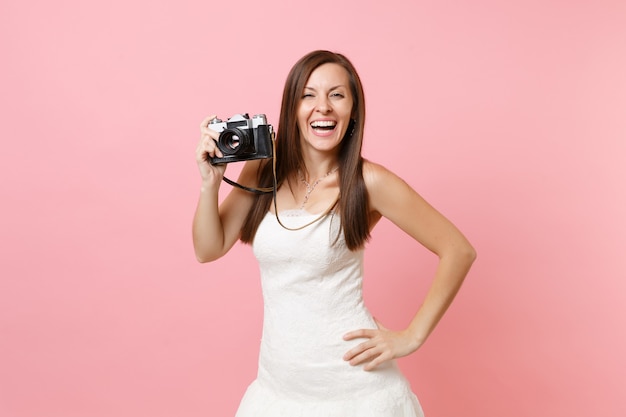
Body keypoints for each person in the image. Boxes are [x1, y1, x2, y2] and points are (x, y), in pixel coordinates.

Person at [193, 50, 476, 417]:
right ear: (292, 109)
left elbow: (458, 250)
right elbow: (207, 248)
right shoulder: (264, 170)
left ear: (353, 110)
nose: (322, 107)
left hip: (356, 392)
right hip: (278, 390)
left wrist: (412, 335)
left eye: (337, 95)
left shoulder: (369, 181)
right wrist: (209, 185)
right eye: (308, 95)